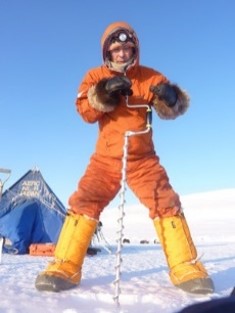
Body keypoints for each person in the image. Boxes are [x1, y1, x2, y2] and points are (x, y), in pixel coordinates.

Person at [35, 21, 214, 294]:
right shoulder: (94, 75)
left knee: (166, 201)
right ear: (107, 51)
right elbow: (84, 111)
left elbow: (175, 109)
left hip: (143, 161)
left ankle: (186, 267)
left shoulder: (150, 76)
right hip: (105, 160)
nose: (122, 53)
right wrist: (103, 93)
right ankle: (64, 266)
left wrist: (171, 96)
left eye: (127, 48)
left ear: (135, 50)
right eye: (116, 49)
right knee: (84, 202)